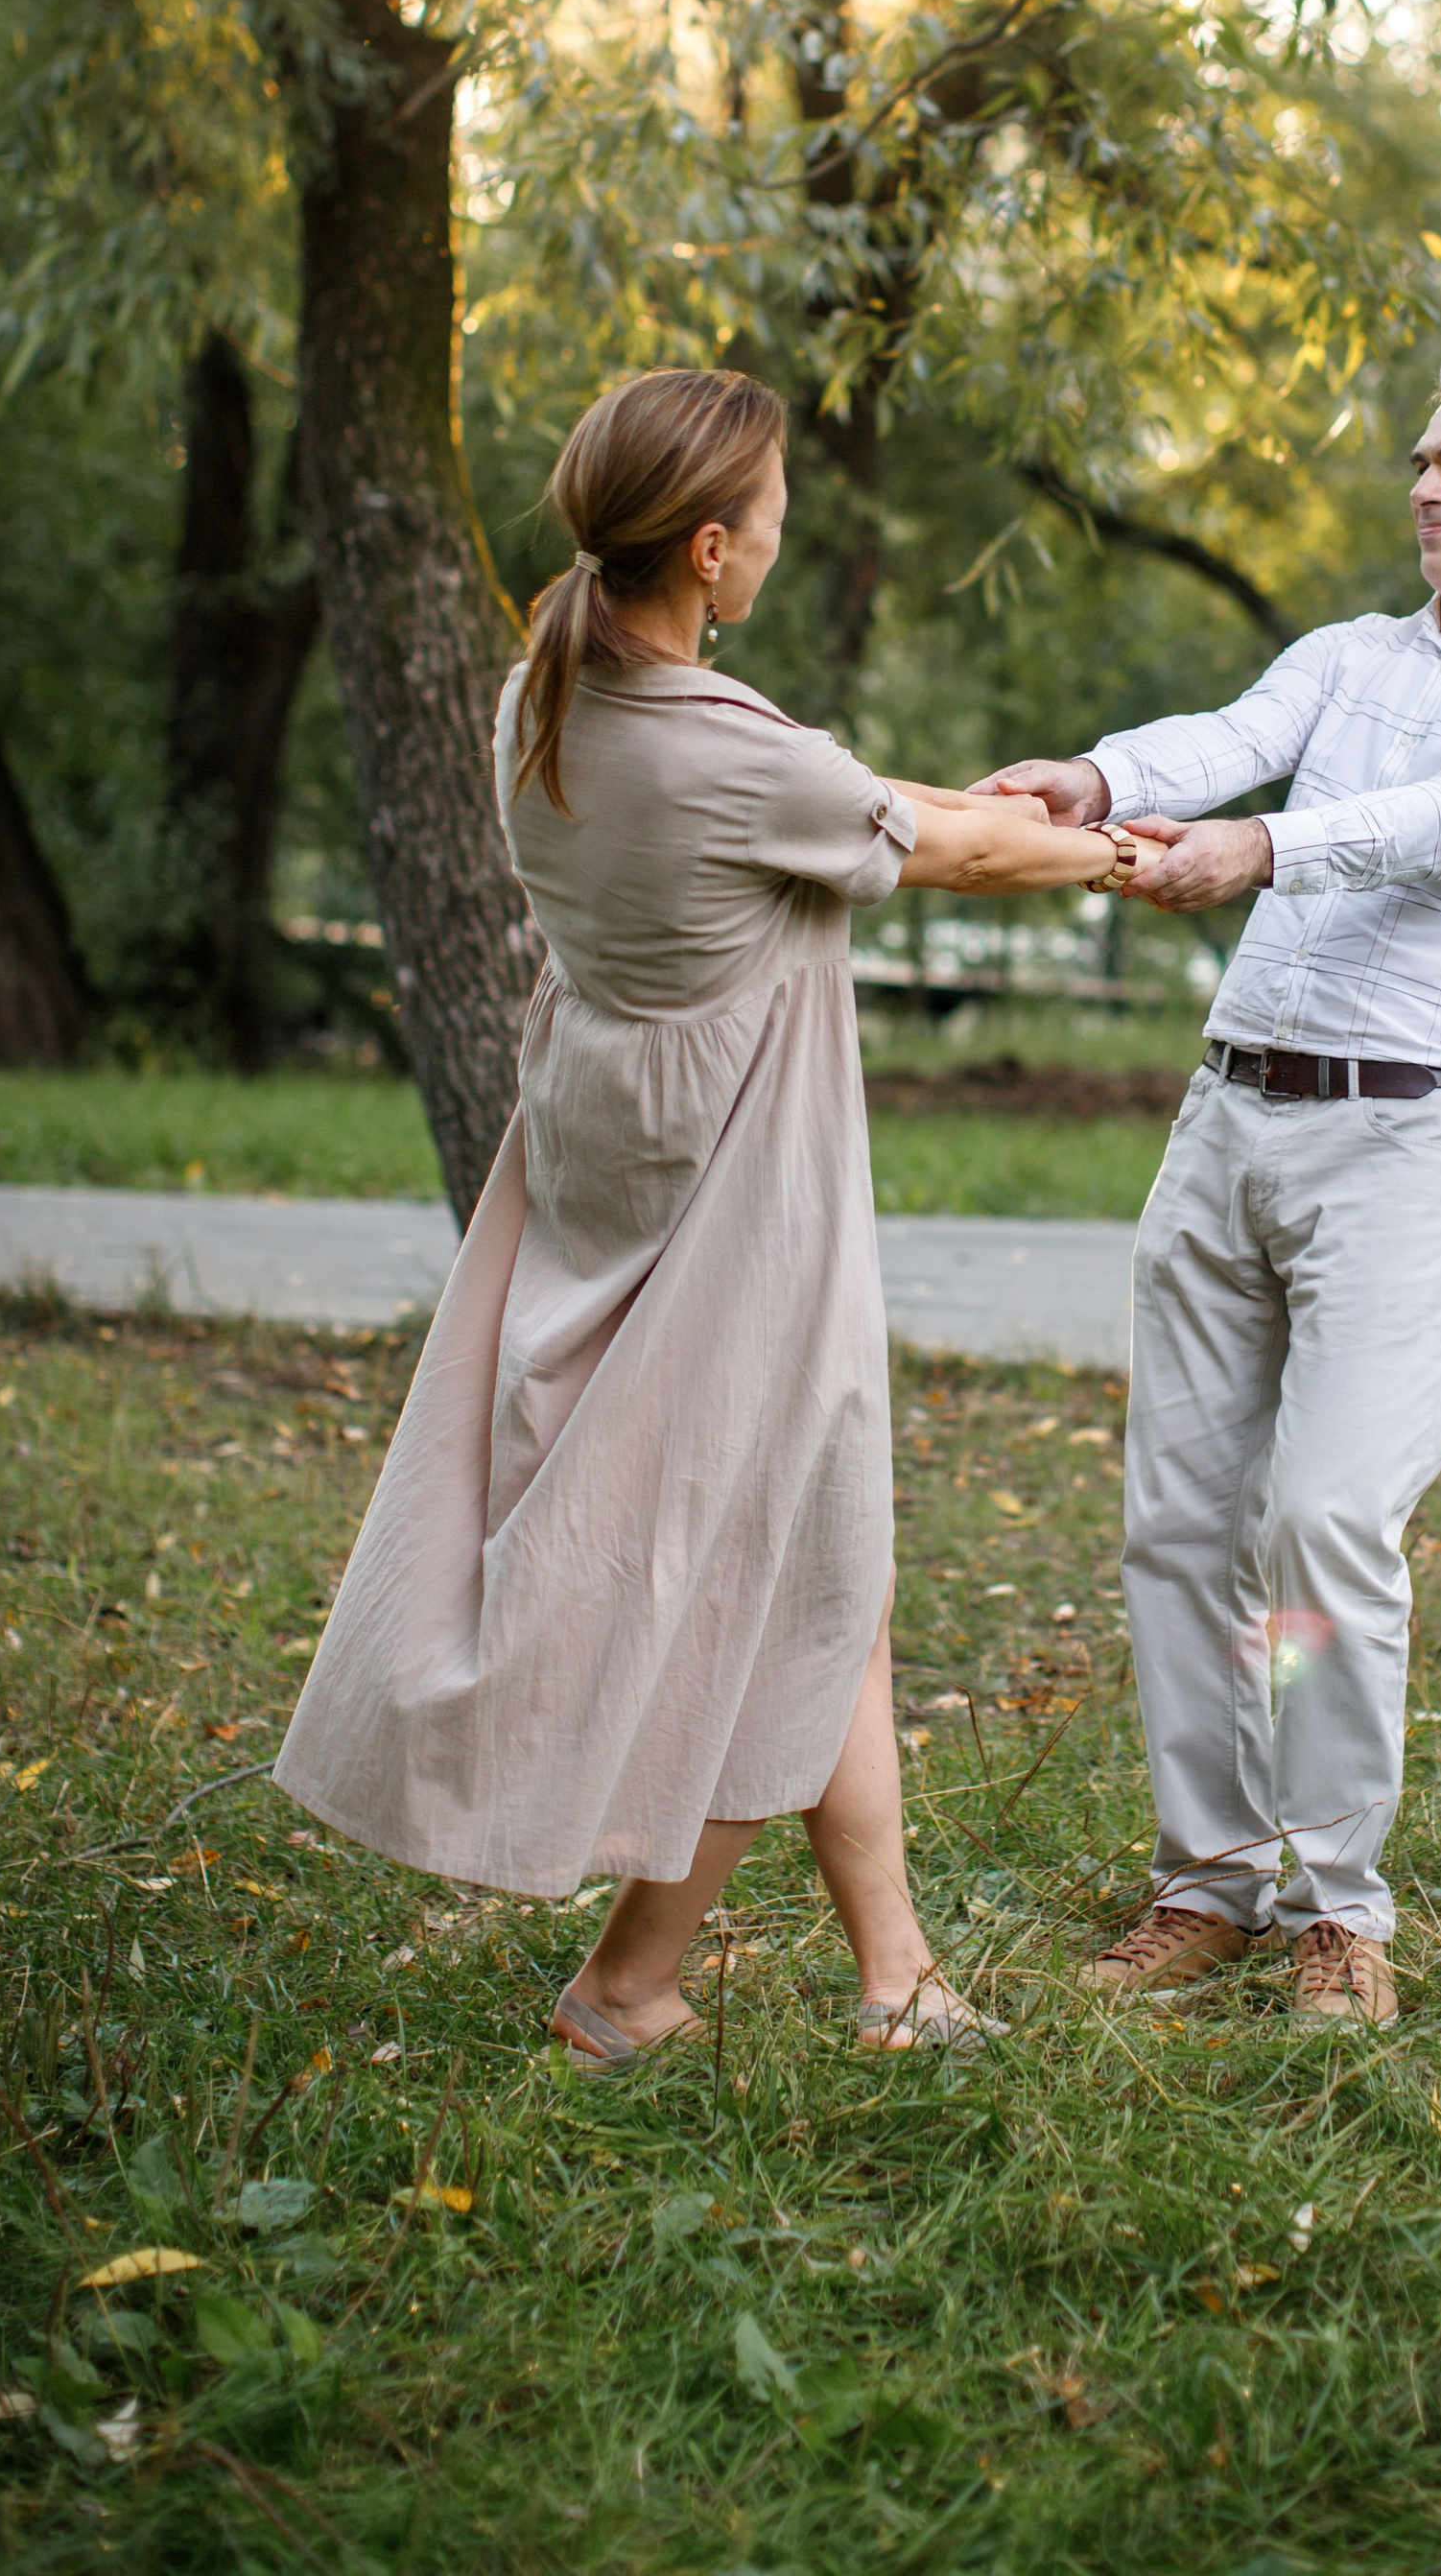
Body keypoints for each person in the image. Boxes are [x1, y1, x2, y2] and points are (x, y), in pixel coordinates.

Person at [275, 366, 1165, 2062]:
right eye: (764, 521)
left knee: (825, 1563)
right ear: (705, 548)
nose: (776, 539)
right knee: (786, 1575)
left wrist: (1001, 804)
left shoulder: (548, 689)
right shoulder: (727, 752)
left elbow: (840, 792)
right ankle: (625, 1987)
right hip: (737, 1181)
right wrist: (1131, 854)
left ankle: (896, 1976)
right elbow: (938, 852)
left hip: (609, 1136)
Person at [973, 350, 1441, 2028]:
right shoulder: (1348, 658)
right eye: (1422, 462)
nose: (1427, 486)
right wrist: (1103, 781)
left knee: (1324, 1523)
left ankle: (1336, 1906)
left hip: (1408, 1142)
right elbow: (1231, 738)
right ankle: (1206, 1885)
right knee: (1184, 1528)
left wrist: (1269, 847)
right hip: (1227, 1124)